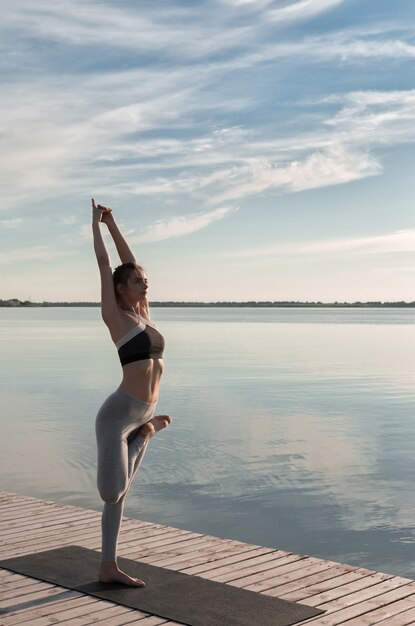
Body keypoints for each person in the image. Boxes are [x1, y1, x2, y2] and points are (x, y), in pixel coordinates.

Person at [92, 198, 171, 587]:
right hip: (120, 415)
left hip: (143, 409)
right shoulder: (117, 317)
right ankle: (148, 433)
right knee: (113, 491)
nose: (145, 283)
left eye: (145, 279)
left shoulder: (145, 315)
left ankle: (109, 566)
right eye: (138, 280)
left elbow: (129, 261)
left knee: (120, 498)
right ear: (121, 288)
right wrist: (96, 226)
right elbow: (108, 266)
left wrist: (114, 223)